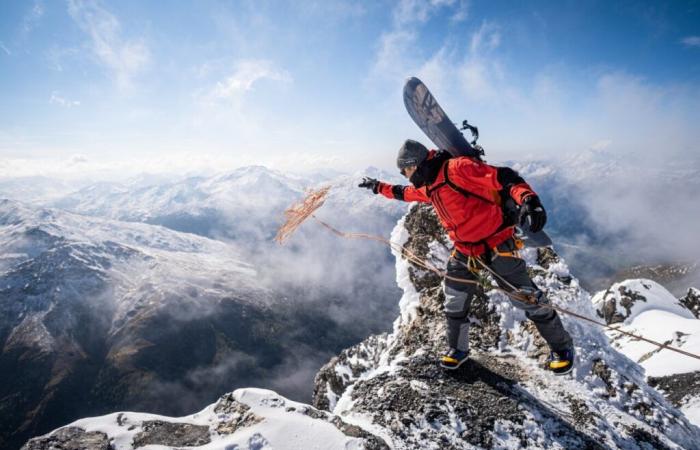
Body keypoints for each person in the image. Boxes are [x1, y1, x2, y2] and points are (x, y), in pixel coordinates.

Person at [359, 139, 574, 374]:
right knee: (454, 299)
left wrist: (528, 199)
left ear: (417, 164)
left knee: (527, 298)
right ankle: (458, 350)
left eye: (407, 170)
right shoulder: (429, 185)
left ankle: (562, 347)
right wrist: (378, 187)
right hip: (464, 249)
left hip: (497, 243)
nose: (407, 175)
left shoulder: (457, 169)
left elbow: (503, 177)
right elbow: (406, 193)